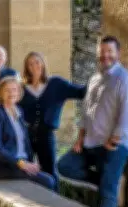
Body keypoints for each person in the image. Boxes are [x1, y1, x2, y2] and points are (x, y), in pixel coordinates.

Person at [57, 36, 128, 207]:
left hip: (113, 147)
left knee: (106, 194)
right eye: (102, 51)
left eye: (110, 51)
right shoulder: (94, 78)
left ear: (118, 53)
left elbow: (127, 115)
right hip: (90, 144)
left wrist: (114, 140)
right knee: (65, 166)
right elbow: (86, 112)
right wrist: (80, 138)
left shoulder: (125, 79)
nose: (105, 55)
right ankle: (109, 181)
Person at [19, 52, 87, 180]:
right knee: (24, 171)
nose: (34, 66)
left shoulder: (56, 84)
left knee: (50, 171)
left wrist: (99, 80)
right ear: (27, 68)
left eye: (37, 62)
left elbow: (81, 92)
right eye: (30, 64)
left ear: (43, 64)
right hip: (26, 135)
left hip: (46, 135)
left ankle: (52, 192)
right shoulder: (21, 88)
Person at [0, 77, 56, 191]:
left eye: (14, 89)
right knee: (48, 181)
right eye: (7, 90)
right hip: (3, 165)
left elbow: (24, 141)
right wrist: (21, 163)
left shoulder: (19, 111)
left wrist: (29, 162)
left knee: (48, 175)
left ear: (19, 92)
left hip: (20, 161)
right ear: (0, 93)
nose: (11, 93)